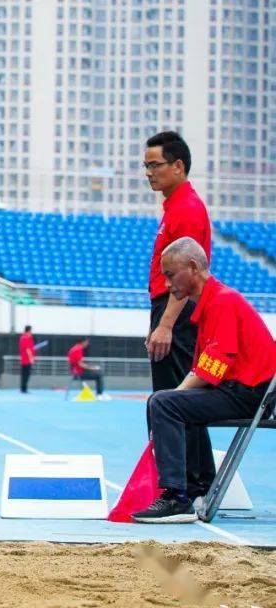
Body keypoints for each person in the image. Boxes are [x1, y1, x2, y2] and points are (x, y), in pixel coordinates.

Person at [133, 237, 276, 523]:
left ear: (193, 267)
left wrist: (174, 396)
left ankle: (176, 496)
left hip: (249, 394)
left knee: (164, 403)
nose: (167, 284)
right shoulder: (212, 302)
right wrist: (176, 396)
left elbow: (214, 365)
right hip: (243, 390)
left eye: (171, 275)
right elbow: (207, 365)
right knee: (166, 401)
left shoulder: (222, 301)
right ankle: (198, 486)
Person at [142, 131, 213, 500]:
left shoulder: (185, 209)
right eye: (146, 166)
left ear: (178, 166)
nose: (149, 173)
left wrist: (166, 324)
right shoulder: (176, 205)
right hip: (174, 310)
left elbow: (184, 279)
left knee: (172, 398)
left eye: (155, 165)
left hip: (177, 312)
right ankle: (199, 480)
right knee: (181, 395)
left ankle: (179, 489)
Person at [18, 325, 35, 394]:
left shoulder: (22, 338)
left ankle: (22, 388)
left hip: (23, 359)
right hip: (27, 359)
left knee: (23, 375)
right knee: (26, 375)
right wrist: (31, 358)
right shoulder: (28, 338)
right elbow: (28, 349)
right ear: (29, 330)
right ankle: (24, 389)